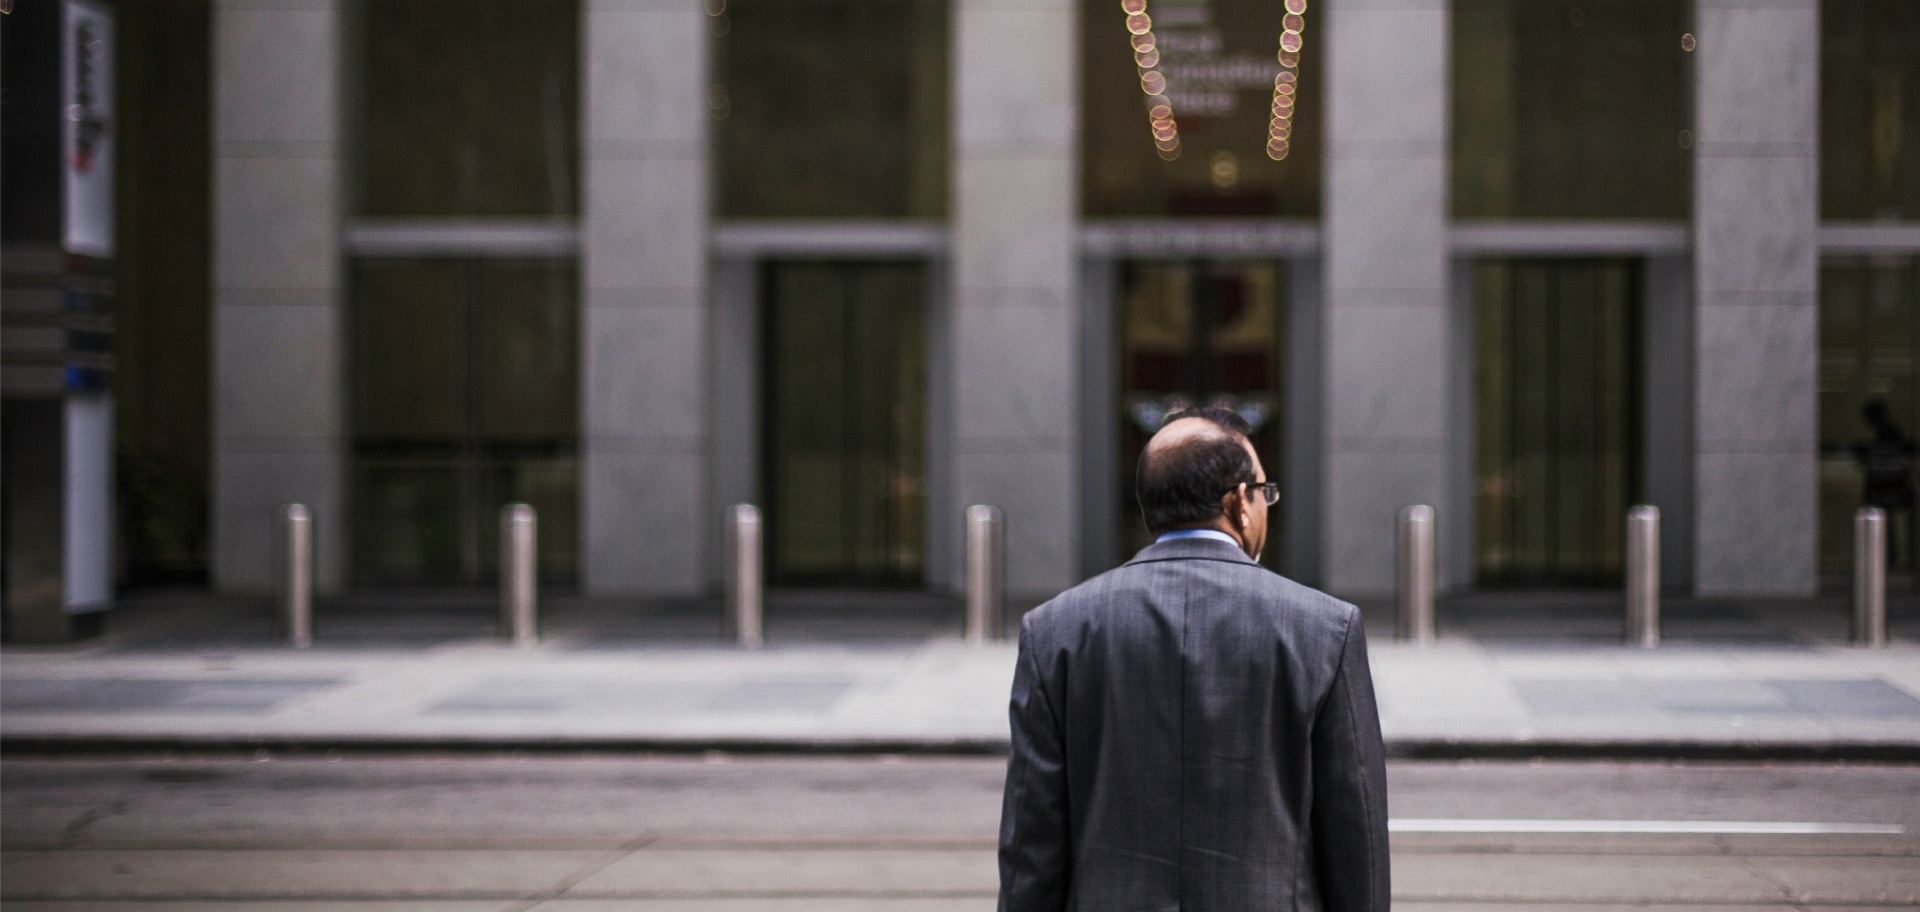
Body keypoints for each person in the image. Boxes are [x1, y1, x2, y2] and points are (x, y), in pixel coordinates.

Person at [998, 407, 1389, 912]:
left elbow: (1032, 844)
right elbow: (1355, 838)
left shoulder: (1055, 631)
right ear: (1239, 502)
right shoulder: (1325, 629)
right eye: (1264, 492)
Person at [1858, 398, 1916, 567]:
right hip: (1885, 486)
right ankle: (1886, 559)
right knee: (1884, 524)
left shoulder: (1889, 433)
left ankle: (1888, 560)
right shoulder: (1886, 432)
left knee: (1886, 524)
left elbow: (1893, 457)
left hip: (1888, 486)